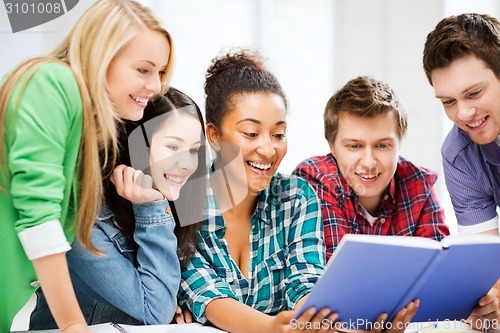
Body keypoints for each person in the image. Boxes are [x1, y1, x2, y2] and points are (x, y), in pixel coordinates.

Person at [178, 50, 416, 333]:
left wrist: (345, 325)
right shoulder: (184, 199)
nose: (268, 149)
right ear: (214, 135)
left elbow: (306, 281)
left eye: (278, 134)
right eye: (251, 134)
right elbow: (207, 294)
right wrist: (272, 327)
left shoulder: (297, 196)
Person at [0, 0, 173, 332]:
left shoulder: (87, 130)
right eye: (143, 69)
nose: (155, 86)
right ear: (101, 55)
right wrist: (72, 325)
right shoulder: (52, 82)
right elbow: (38, 216)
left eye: (160, 72)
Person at [29, 87, 206, 328]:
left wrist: (182, 301)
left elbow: (164, 299)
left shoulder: (173, 202)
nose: (186, 164)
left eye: (194, 150)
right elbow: (155, 313)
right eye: (173, 147)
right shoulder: (83, 218)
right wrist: (151, 208)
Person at [293, 76, 450, 259]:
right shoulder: (315, 180)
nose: (369, 162)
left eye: (382, 146)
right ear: (332, 146)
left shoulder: (419, 184)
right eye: (354, 146)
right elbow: (341, 274)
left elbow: (439, 270)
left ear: (400, 144)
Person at [423, 13, 500, 331]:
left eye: (474, 93)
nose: (464, 114)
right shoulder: (459, 155)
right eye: (448, 101)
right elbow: (488, 262)